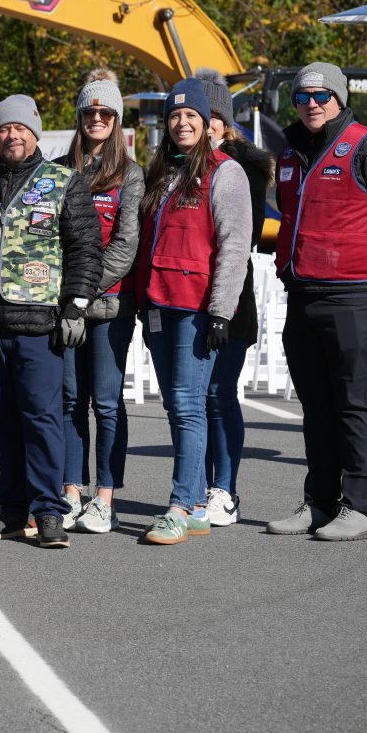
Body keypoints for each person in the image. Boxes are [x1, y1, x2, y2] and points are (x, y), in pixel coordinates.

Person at [267, 62, 367, 540]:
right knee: (316, 405)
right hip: (304, 294)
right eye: (302, 97)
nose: (311, 104)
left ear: (339, 99)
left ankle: (359, 507)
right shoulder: (290, 152)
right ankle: (319, 503)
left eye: (321, 96)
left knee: (353, 401)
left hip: (358, 295)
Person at [0, 94, 102, 549]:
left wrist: (76, 305)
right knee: (0, 420)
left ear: (34, 132)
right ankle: (13, 509)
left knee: (41, 418)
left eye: (20, 128)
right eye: (3, 128)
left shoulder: (65, 183)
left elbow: (85, 249)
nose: (12, 135)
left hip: (40, 324)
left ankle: (48, 512)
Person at [133, 78, 253, 546]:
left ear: (208, 125)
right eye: (175, 116)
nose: (182, 123)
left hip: (196, 309)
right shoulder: (162, 172)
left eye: (192, 117)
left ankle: (182, 506)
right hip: (159, 306)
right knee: (178, 406)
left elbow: (234, 245)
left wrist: (221, 312)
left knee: (187, 405)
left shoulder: (227, 172)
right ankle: (199, 506)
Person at [55, 69, 144, 534]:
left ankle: (104, 497)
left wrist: (82, 291)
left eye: (105, 112)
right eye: (89, 111)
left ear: (116, 119)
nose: (96, 118)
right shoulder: (57, 168)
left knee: (106, 402)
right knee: (70, 400)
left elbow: (125, 247)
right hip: (65, 307)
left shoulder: (130, 174)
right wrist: (65, 297)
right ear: (79, 115)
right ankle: (71, 491)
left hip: (109, 306)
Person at [195, 68, 272, 526]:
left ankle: (225, 488)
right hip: (181, 297)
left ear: (223, 120)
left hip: (231, 298)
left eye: (209, 116)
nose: (201, 124)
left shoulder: (245, 164)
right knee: (191, 400)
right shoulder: (174, 159)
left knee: (220, 393)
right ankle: (197, 485)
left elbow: (246, 234)